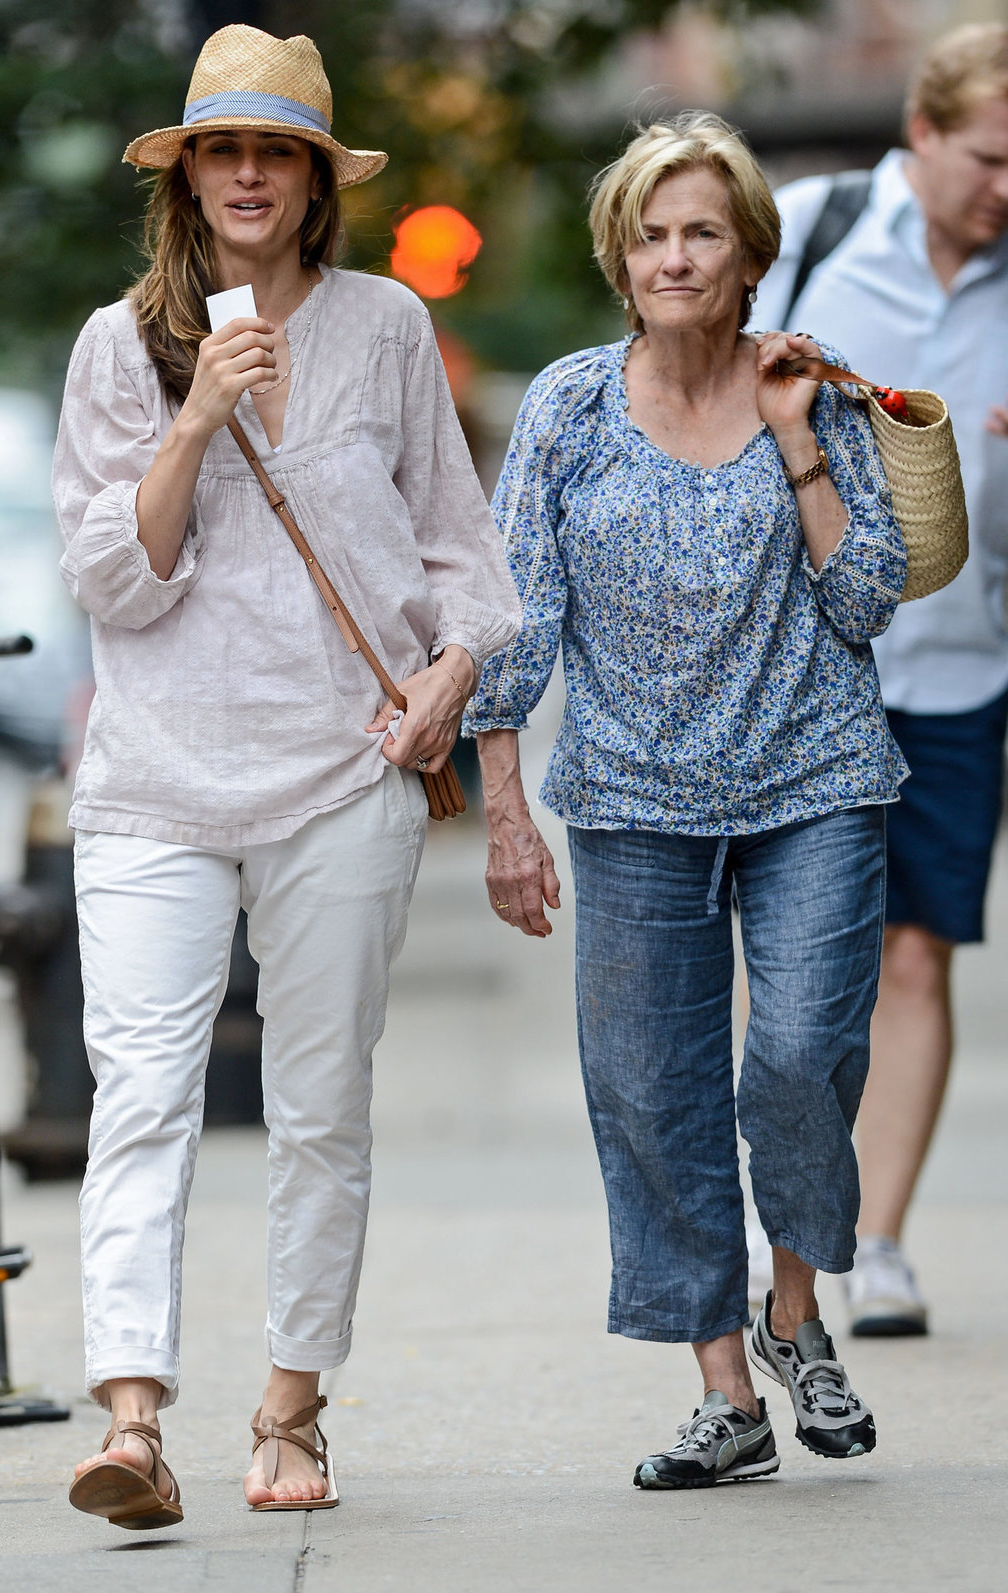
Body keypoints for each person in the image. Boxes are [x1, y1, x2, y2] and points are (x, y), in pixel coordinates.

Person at [54, 24, 519, 1528]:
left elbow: (465, 557)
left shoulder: (385, 329)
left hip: (342, 776)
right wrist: (195, 415)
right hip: (155, 784)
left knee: (321, 1107)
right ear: (183, 175)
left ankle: (293, 1404)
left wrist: (450, 675)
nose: (249, 172)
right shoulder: (116, 346)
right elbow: (117, 586)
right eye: (222, 148)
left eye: (280, 153)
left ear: (317, 186)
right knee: (141, 1097)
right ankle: (131, 1418)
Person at [465, 111, 907, 1489]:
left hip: (814, 779)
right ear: (618, 258)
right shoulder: (568, 405)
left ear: (749, 254)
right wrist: (502, 802)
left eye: (701, 231)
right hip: (633, 796)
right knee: (651, 1097)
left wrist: (795, 438)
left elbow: (866, 597)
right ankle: (725, 1393)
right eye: (649, 234)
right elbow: (515, 612)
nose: (673, 256)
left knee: (797, 1059)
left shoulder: (816, 391)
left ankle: (794, 1316)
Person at [753, 22, 1008, 1337]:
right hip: (799, 665)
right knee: (794, 968)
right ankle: (791, 1212)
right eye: (989, 157)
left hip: (961, 664)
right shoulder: (808, 228)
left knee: (914, 955)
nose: (1005, 187)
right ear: (919, 132)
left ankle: (881, 1241)